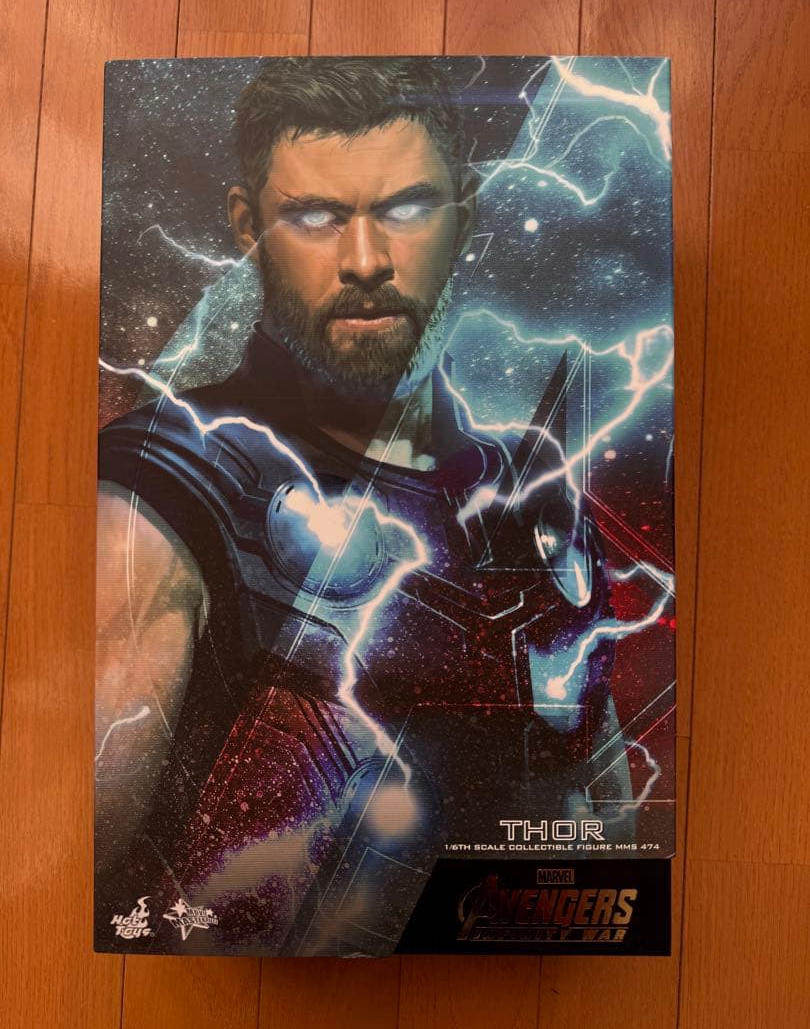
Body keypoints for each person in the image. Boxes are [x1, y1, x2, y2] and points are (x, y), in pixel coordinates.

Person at [95, 57, 632, 956]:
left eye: (407, 207)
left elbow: (603, 825)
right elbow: (71, 876)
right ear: (246, 226)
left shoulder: (535, 499)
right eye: (315, 215)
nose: (367, 261)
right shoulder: (165, 484)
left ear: (464, 212)